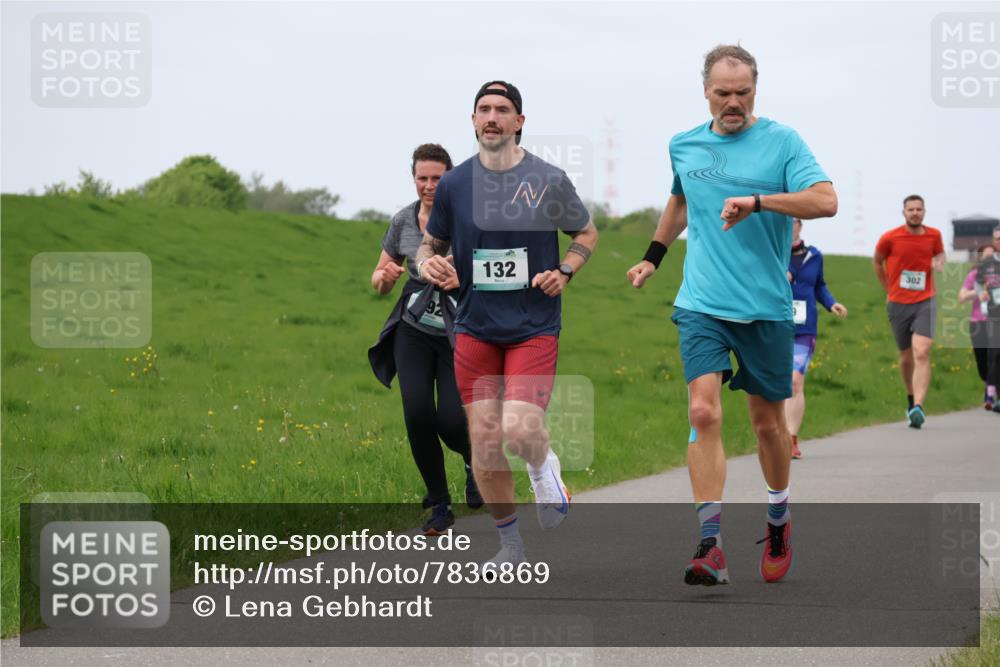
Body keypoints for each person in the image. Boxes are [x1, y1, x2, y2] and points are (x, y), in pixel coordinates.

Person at [627, 45, 837, 585]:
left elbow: (826, 200)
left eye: (743, 92)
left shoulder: (782, 141)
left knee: (767, 425)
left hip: (765, 307)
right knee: (703, 412)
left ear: (755, 91)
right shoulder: (684, 144)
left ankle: (778, 514)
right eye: (723, 93)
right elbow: (680, 200)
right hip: (701, 303)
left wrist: (759, 201)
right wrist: (653, 257)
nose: (733, 102)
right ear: (706, 92)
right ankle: (710, 545)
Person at [415, 81, 599, 567]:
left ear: (519, 122)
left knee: (520, 430)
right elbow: (429, 244)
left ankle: (543, 470)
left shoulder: (547, 177)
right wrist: (426, 263)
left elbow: (585, 231)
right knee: (485, 442)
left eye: (502, 110)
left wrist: (565, 270)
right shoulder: (455, 184)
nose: (492, 117)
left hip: (532, 323)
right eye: (483, 110)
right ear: (473, 121)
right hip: (474, 325)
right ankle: (511, 545)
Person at [368, 143, 482, 536]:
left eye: (437, 178)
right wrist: (382, 279)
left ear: (449, 178)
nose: (430, 185)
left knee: (451, 421)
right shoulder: (403, 221)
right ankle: (439, 504)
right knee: (417, 415)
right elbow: (382, 274)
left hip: (457, 333)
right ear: (413, 179)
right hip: (412, 331)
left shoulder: (467, 219)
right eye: (423, 178)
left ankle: (475, 463)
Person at [873, 195, 946, 428]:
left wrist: (939, 262)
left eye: (919, 209)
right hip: (898, 303)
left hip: (926, 300)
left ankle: (919, 407)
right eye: (910, 209)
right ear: (903, 212)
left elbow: (940, 253)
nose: (915, 213)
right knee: (906, 357)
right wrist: (887, 288)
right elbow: (877, 261)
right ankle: (911, 398)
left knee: (922, 351)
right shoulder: (890, 238)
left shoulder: (934, 235)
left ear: (924, 212)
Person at [785, 218, 848, 458]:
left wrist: (831, 303)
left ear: (801, 225)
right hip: (775, 327)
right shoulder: (772, 253)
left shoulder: (814, 256)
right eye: (785, 221)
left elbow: (819, 286)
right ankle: (778, 436)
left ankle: (791, 438)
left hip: (804, 328)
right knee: (778, 384)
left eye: (794, 222)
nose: (790, 226)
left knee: (795, 381)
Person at [958, 243, 996, 410]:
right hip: (977, 322)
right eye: (985, 255)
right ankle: (988, 385)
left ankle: (990, 394)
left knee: (994, 358)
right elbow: (961, 297)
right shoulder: (974, 275)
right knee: (982, 363)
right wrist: (978, 292)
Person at [973, 226, 1000, 413]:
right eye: (997, 238)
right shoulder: (988, 263)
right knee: (995, 355)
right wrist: (980, 294)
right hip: (994, 316)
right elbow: (977, 281)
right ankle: (992, 395)